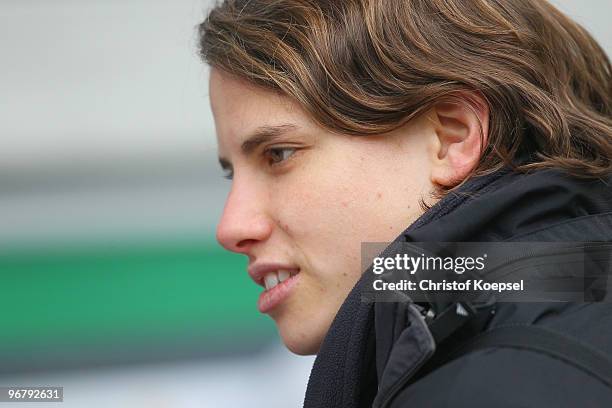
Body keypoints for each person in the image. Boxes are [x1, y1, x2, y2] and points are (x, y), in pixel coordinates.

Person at [198, 0, 612, 406]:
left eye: (279, 154)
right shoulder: (565, 305)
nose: (231, 227)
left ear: (452, 137)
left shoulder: (496, 384)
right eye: (232, 174)